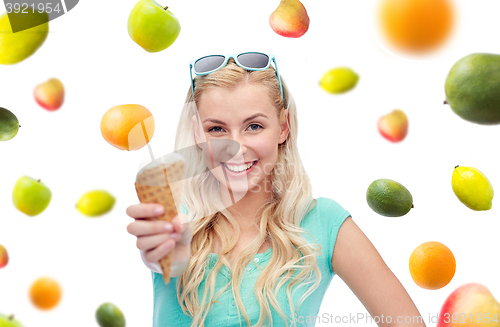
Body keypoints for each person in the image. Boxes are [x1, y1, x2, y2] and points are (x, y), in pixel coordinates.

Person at [126, 52, 426, 327]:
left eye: (254, 126)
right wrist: (165, 254)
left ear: (284, 126)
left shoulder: (324, 222)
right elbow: (163, 256)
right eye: (216, 129)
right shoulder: (173, 218)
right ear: (197, 133)